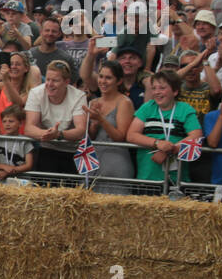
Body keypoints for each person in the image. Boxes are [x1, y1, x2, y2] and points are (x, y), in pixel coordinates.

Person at [126, 69, 202, 189]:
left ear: (175, 91)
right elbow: (131, 135)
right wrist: (157, 143)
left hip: (176, 181)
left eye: (162, 88)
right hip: (148, 178)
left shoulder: (185, 109)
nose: (157, 92)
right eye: (154, 88)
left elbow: (196, 136)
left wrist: (169, 150)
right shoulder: (147, 108)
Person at [24, 60, 88, 181]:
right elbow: (29, 128)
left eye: (55, 80)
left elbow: (81, 130)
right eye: (48, 79)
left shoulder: (78, 96)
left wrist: (59, 134)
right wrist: (49, 135)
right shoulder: (36, 93)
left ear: (67, 82)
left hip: (71, 151)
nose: (49, 84)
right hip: (46, 149)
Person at [86, 60, 136, 195]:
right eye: (101, 76)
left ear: (119, 81)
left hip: (116, 163)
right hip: (94, 162)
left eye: (108, 78)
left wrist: (101, 120)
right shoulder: (93, 102)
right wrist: (94, 125)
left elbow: (120, 136)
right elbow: (90, 137)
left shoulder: (124, 102)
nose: (103, 81)